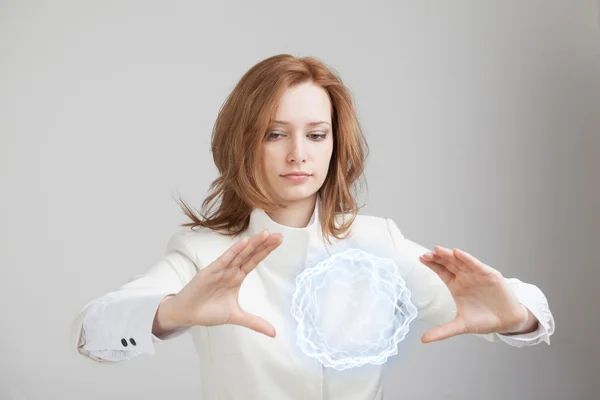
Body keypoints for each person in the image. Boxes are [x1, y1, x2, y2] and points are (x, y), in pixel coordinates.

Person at [70, 54, 555, 399]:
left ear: (334, 143)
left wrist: (515, 316)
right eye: (275, 134)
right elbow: (93, 331)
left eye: (316, 134)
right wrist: (172, 313)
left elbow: (529, 310)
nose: (298, 153)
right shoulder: (205, 251)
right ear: (242, 144)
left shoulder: (376, 241)